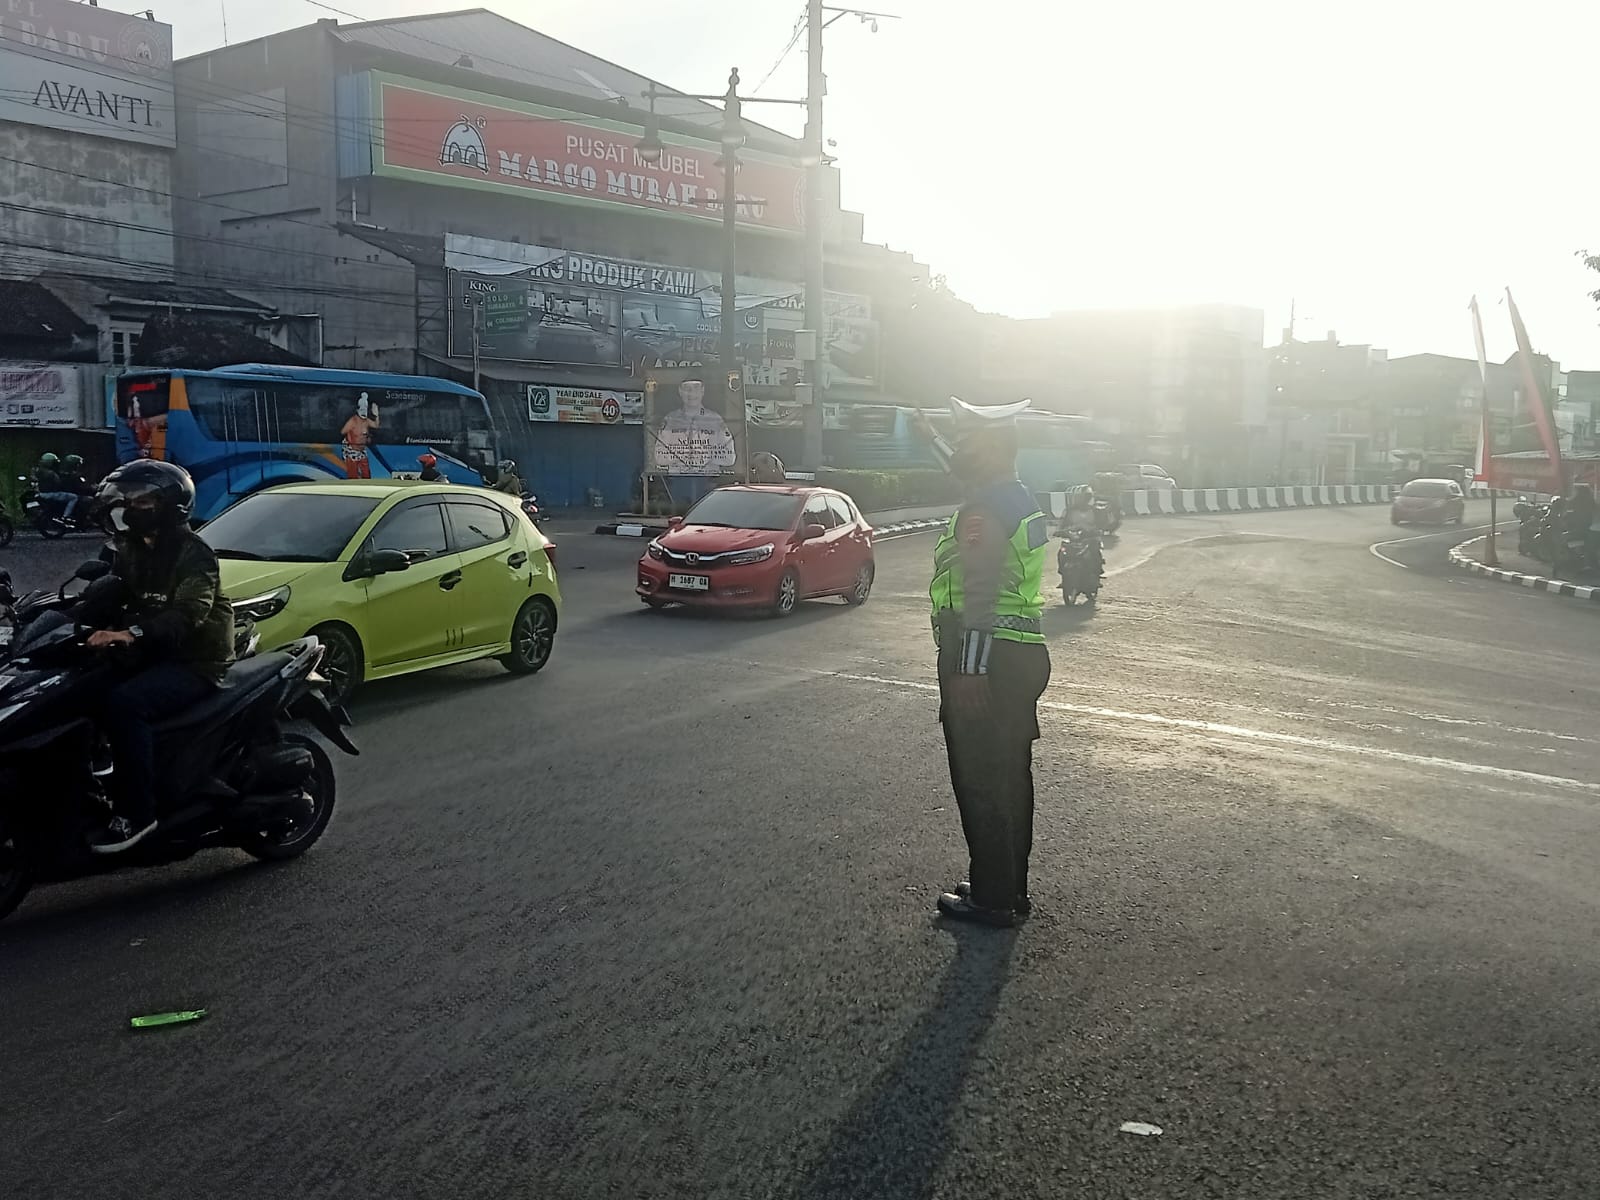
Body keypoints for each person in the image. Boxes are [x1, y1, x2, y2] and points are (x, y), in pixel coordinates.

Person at [928, 396, 1052, 928]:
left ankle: (993, 898)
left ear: (992, 448)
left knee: (981, 779)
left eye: (967, 441)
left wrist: (969, 669)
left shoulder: (983, 511)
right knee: (1008, 777)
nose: (958, 451)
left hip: (986, 655)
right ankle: (1004, 883)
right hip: (1020, 652)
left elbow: (978, 595)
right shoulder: (1016, 497)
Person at [84, 461, 235, 854]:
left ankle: (138, 812)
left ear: (170, 506)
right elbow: (109, 593)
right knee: (78, 683)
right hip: (150, 651)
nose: (128, 507)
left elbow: (189, 615)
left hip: (195, 660)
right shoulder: (130, 547)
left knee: (126, 704)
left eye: (142, 500)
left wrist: (128, 633)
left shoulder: (194, 553)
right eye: (127, 499)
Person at [652, 375, 735, 473]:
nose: (691, 393)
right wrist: (684, 454)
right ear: (680, 391)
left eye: (696, 388)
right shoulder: (670, 419)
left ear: (702, 391)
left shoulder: (715, 419)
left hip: (708, 480)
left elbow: (730, 458)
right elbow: (659, 457)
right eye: (687, 389)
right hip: (677, 480)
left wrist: (704, 456)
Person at [339, 391, 380, 479]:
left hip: (362, 452)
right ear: (357, 410)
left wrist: (376, 415)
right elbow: (342, 432)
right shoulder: (352, 421)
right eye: (362, 409)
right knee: (353, 476)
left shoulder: (366, 421)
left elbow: (376, 425)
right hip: (351, 452)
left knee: (366, 475)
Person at [32, 452, 80, 522]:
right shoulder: (51, 473)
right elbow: (58, 484)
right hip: (50, 493)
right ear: (50, 463)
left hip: (43, 493)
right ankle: (66, 516)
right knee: (74, 497)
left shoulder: (41, 471)